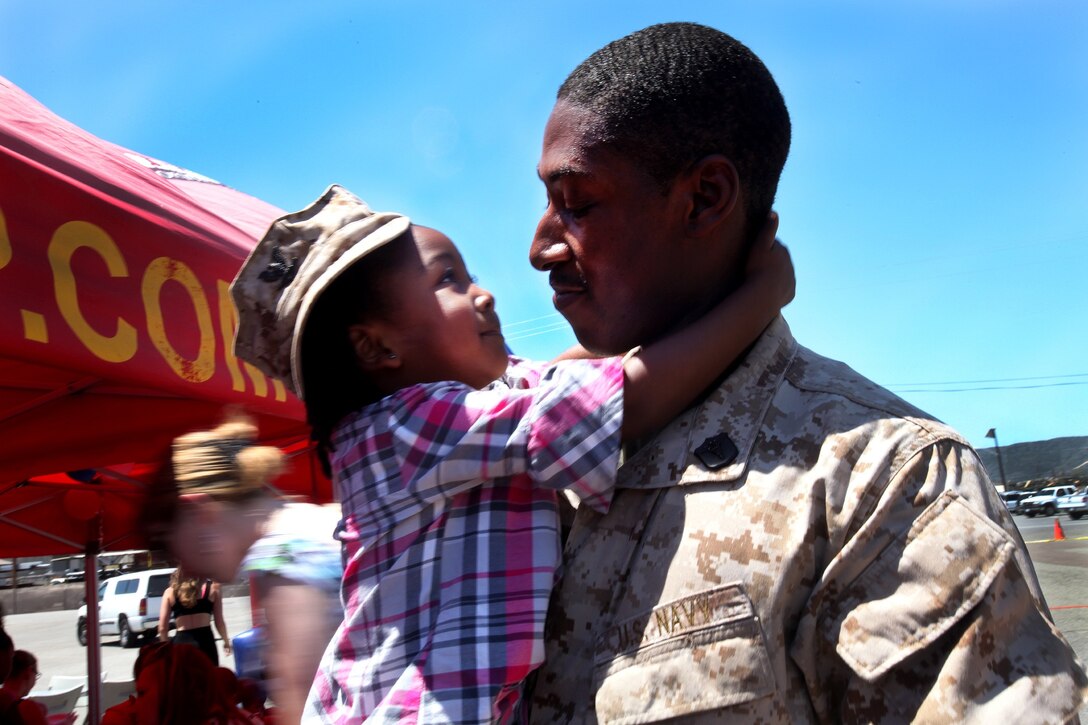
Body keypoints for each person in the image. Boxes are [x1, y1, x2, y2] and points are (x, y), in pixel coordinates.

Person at [524, 21, 1088, 723]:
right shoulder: (521, 444)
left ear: (704, 198)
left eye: (576, 204)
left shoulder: (882, 488)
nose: (539, 245)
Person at [227, 183, 793, 721]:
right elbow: (623, 401)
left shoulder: (466, 412)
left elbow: (563, 375)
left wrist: (664, 312)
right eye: (447, 280)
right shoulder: (395, 431)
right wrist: (762, 295)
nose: (484, 292)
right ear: (376, 345)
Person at [146, 416, 344, 725]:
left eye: (172, 549)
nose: (185, 566)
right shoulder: (309, 522)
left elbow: (303, 706)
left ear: (199, 510)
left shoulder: (283, 555)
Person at [158, 569, 230, 666]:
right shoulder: (214, 588)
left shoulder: (169, 592)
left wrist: (166, 651)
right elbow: (219, 622)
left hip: (181, 645)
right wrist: (226, 641)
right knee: (209, 679)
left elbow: (162, 628)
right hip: (205, 643)